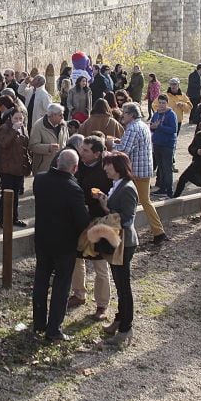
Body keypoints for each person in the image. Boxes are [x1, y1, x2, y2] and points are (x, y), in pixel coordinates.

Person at [31, 149, 90, 342]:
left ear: (56, 162)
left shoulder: (39, 180)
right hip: (64, 245)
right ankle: (53, 329)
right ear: (75, 168)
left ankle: (39, 322)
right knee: (61, 285)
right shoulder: (73, 189)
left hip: (42, 239)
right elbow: (82, 222)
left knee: (41, 280)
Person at [95, 151, 139, 346]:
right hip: (116, 240)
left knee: (123, 286)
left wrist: (107, 212)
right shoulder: (118, 185)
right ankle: (120, 320)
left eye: (108, 165)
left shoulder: (128, 188)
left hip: (124, 242)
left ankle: (125, 328)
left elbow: (127, 219)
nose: (105, 168)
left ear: (119, 167)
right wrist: (106, 205)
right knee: (119, 283)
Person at [69, 136, 112, 317]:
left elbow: (113, 197)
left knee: (100, 264)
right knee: (77, 259)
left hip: (99, 222)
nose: (82, 153)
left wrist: (101, 200)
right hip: (79, 219)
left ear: (97, 153)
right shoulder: (80, 167)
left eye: (86, 150)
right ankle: (79, 293)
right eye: (82, 149)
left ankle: (102, 304)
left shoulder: (107, 170)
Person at [115, 102, 167, 244]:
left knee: (131, 201)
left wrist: (109, 144)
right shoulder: (143, 125)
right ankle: (158, 231)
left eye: (124, 112)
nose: (122, 115)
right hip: (145, 169)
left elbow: (124, 150)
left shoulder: (132, 128)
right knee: (145, 201)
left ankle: (130, 234)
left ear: (131, 115)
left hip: (136, 171)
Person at [0, 109, 31, 228]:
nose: (18, 121)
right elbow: (3, 144)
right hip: (7, 167)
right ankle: (3, 220)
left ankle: (14, 218)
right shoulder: (3, 129)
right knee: (6, 195)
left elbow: (25, 146)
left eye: (21, 118)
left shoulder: (23, 128)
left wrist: (27, 165)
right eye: (16, 118)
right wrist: (14, 131)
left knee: (16, 195)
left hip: (19, 167)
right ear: (10, 117)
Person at [175, 119, 201, 198]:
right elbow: (190, 148)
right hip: (196, 163)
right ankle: (175, 197)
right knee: (182, 178)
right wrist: (196, 151)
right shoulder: (199, 135)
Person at [149, 94, 177, 198]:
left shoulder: (171, 114)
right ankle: (162, 188)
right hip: (157, 144)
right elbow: (152, 126)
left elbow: (173, 130)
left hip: (167, 145)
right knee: (160, 168)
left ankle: (169, 190)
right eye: (160, 102)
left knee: (167, 168)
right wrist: (152, 127)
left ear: (167, 103)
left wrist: (160, 126)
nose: (161, 105)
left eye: (163, 103)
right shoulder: (156, 114)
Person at [29, 103, 67, 176]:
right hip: (43, 169)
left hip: (60, 167)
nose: (63, 117)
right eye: (60, 115)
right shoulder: (38, 126)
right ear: (52, 115)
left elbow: (66, 141)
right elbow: (32, 146)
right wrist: (48, 148)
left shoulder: (63, 125)